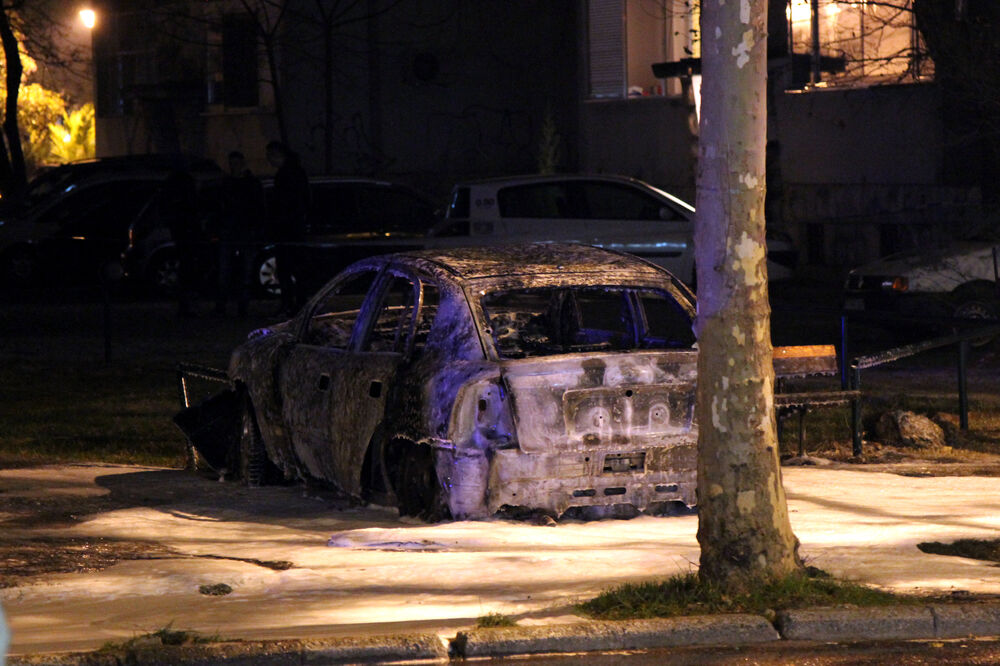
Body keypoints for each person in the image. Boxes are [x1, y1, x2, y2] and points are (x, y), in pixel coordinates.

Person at [215, 151, 265, 316]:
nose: (234, 167)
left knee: (244, 272)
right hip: (233, 232)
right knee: (227, 272)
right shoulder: (229, 183)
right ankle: (224, 305)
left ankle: (240, 306)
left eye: (236, 163)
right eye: (232, 164)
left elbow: (257, 208)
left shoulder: (248, 184)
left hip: (244, 232)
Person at [265, 140, 310, 315]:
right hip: (293, 228)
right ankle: (297, 303)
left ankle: (290, 303)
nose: (269, 160)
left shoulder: (286, 175)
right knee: (295, 269)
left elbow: (284, 204)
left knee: (286, 269)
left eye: (270, 155)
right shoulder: (295, 172)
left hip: (287, 229)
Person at [160, 169, 201, 317]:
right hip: (188, 236)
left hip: (182, 236)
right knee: (189, 269)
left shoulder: (175, 202)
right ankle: (188, 304)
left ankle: (186, 305)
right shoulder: (188, 202)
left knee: (186, 269)